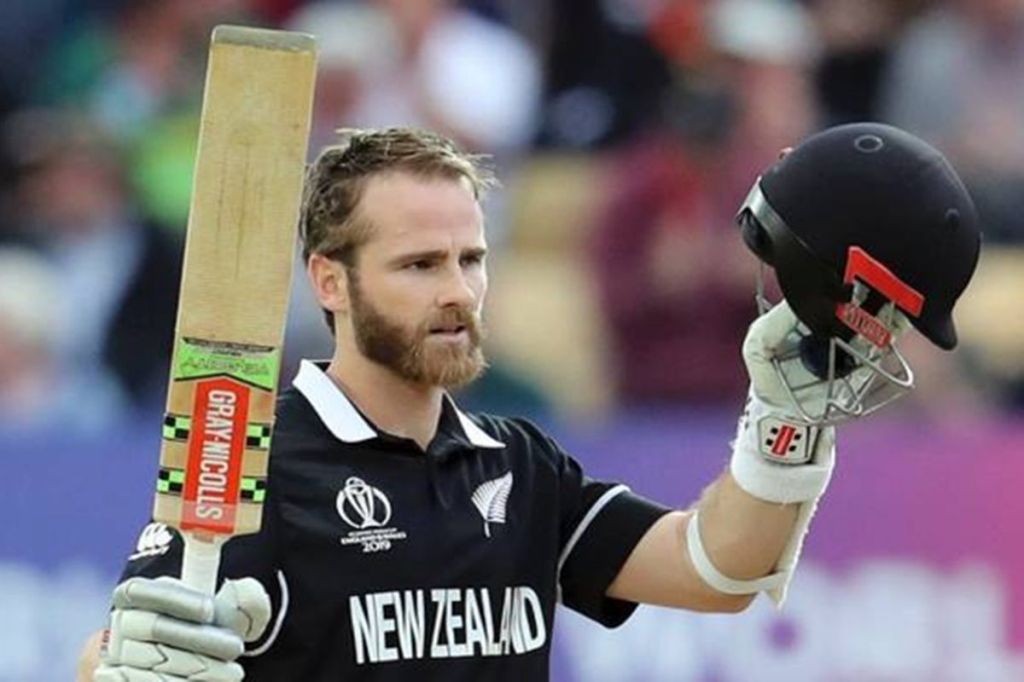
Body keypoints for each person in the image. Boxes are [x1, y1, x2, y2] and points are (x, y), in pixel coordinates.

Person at [78, 124, 979, 681]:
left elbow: (716, 572)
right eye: (419, 265)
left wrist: (788, 419)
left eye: (470, 259)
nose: (457, 291)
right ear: (330, 280)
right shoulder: (257, 463)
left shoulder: (517, 462)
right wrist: (119, 667)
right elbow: (129, 641)